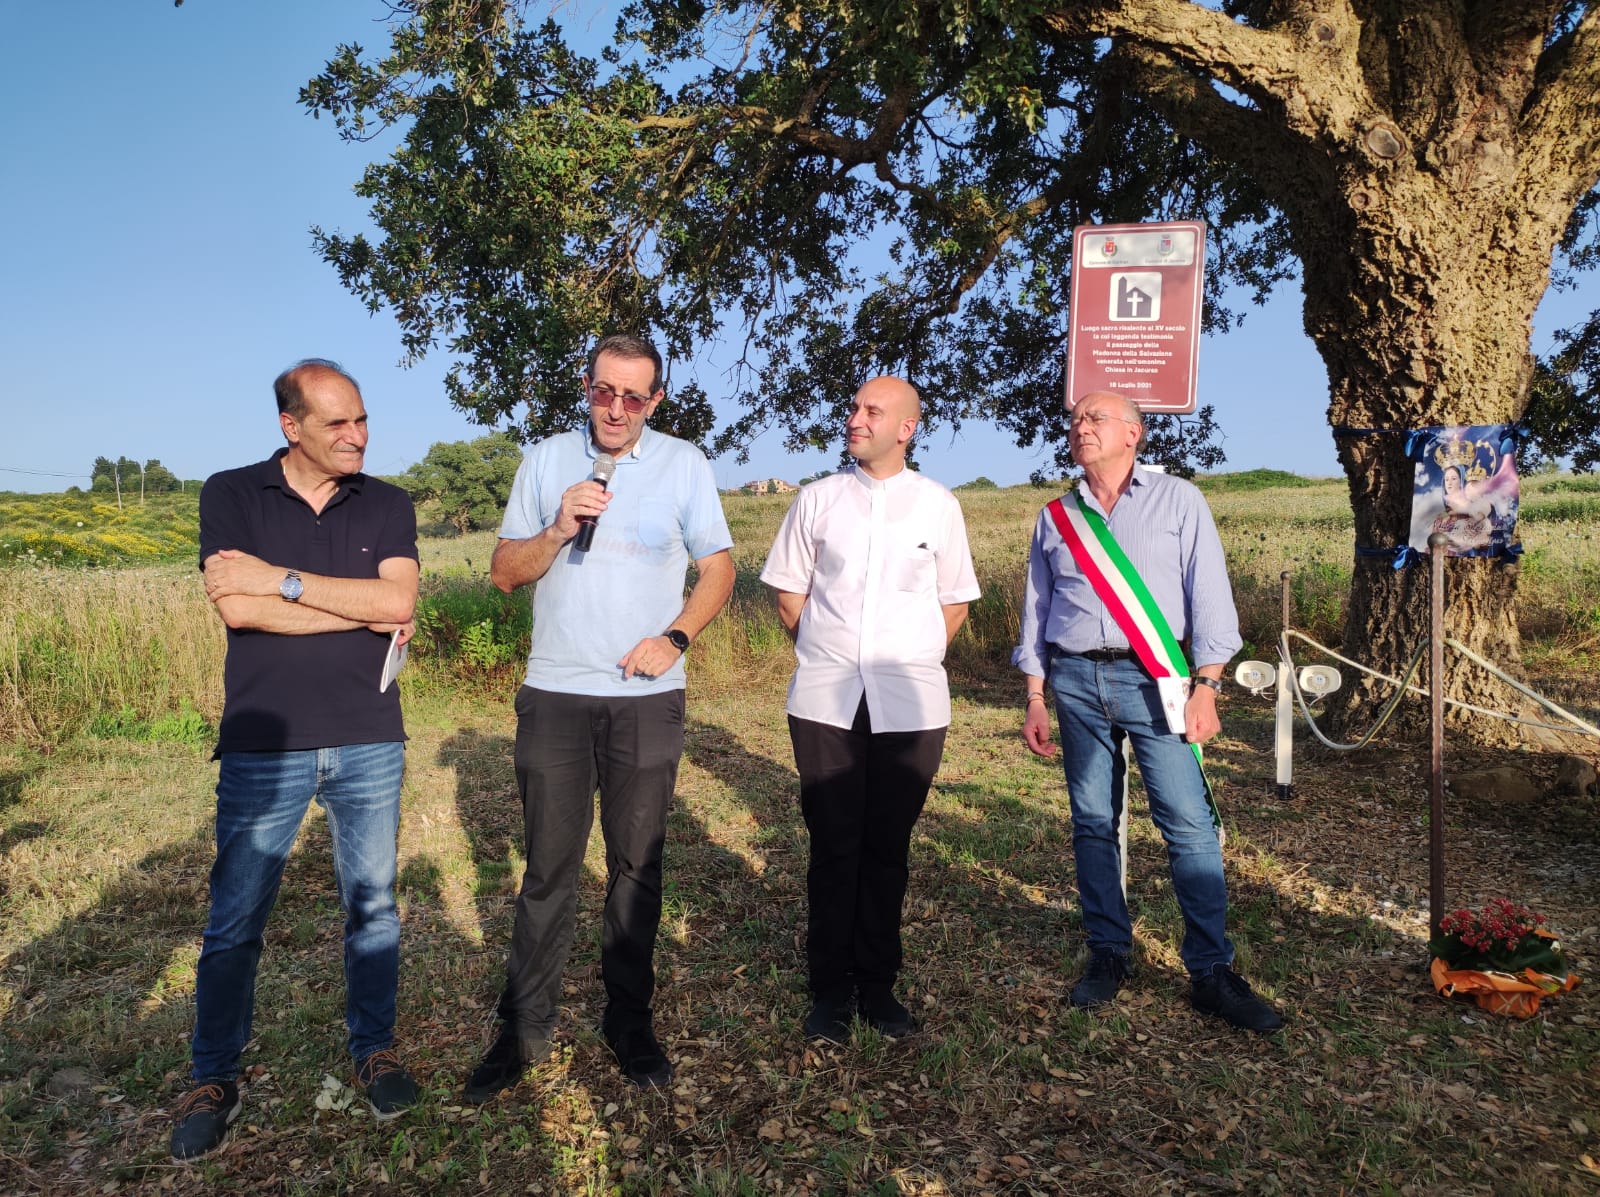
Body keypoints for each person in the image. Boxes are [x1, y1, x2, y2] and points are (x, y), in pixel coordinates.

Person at [466, 333, 735, 1101]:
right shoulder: (546, 459)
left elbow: (719, 566)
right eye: (602, 391)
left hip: (647, 700)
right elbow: (502, 574)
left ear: (654, 402)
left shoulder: (684, 464)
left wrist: (676, 636)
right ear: (585, 386)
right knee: (548, 868)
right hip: (555, 692)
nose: (615, 408)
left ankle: (629, 1021)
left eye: (633, 396)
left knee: (635, 869)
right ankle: (522, 1029)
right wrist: (555, 527)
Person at [171, 360, 421, 1162]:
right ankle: (214, 1076)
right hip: (264, 743)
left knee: (374, 907)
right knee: (236, 917)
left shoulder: (387, 501)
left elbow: (398, 604)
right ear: (291, 427)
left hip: (370, 735)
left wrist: (279, 583)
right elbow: (235, 610)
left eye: (362, 419)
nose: (358, 436)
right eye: (337, 424)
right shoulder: (231, 494)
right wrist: (349, 608)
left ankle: (373, 1049)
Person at [1014, 390, 1282, 1032]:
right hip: (1074, 679)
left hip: (1156, 679)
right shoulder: (1057, 516)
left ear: (1133, 433)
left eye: (1096, 418)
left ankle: (1211, 972)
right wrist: (1033, 693)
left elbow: (1210, 596)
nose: (1082, 427)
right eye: (1077, 418)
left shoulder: (1179, 501)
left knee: (1187, 824)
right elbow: (1036, 608)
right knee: (1092, 821)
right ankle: (1107, 952)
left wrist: (1209, 685)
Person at [760, 377, 980, 1043]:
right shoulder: (817, 500)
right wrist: (830, 655)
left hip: (912, 708)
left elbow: (955, 600)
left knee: (888, 845)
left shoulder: (938, 506)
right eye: (854, 406)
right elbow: (789, 594)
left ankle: (878, 985)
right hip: (825, 701)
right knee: (833, 844)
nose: (854, 418)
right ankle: (828, 988)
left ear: (905, 428)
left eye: (871, 410)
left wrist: (906, 658)